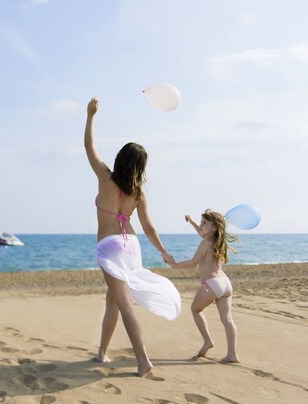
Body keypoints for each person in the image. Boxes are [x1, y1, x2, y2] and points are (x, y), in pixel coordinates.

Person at [84, 97, 181, 377]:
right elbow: (149, 228)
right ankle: (102, 352)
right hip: (132, 247)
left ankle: (143, 360)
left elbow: (89, 146)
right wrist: (163, 252)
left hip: (110, 247)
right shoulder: (139, 193)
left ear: (120, 159)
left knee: (124, 302)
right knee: (112, 300)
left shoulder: (105, 178)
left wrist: (90, 115)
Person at [168, 210, 240, 363]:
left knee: (195, 309)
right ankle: (232, 354)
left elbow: (193, 262)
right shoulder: (218, 241)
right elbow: (202, 233)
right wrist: (193, 222)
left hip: (212, 284)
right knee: (227, 320)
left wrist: (174, 265)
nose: (201, 226)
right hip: (225, 284)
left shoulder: (205, 243)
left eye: (204, 223)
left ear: (213, 228)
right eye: (201, 223)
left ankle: (208, 340)